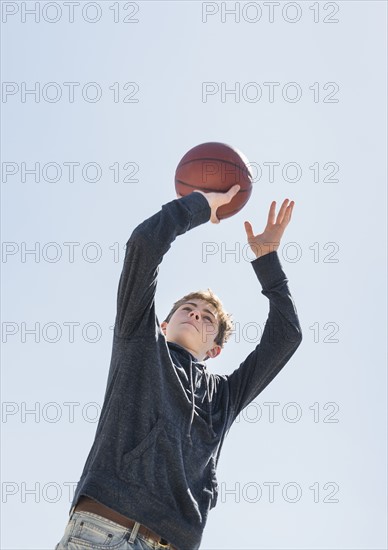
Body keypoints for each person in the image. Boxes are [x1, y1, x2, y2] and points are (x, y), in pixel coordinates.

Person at [55, 184, 302, 550]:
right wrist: (200, 206)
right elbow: (143, 245)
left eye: (207, 318)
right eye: (186, 309)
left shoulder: (225, 397)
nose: (195, 314)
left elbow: (287, 336)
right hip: (100, 532)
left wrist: (267, 260)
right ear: (164, 325)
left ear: (215, 349)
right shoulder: (139, 343)